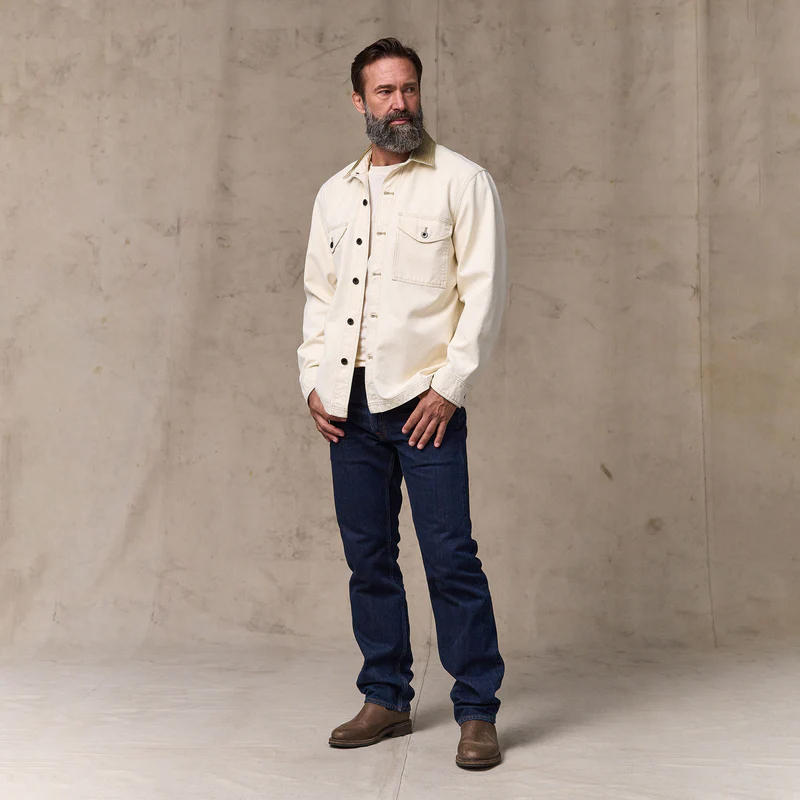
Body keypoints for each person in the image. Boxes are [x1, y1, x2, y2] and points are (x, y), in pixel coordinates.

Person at [297, 37, 507, 770]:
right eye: (384, 92)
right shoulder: (334, 194)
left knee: (451, 558)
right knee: (368, 559)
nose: (400, 104)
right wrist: (312, 381)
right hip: (347, 408)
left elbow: (484, 294)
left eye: (409, 89)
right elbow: (320, 298)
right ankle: (386, 696)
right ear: (358, 101)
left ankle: (476, 710)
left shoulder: (462, 181)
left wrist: (449, 387)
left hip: (423, 404)